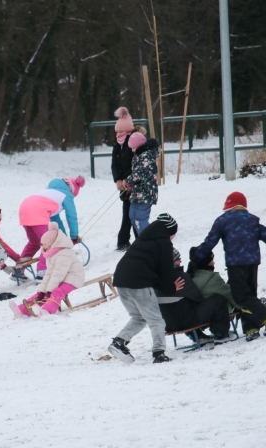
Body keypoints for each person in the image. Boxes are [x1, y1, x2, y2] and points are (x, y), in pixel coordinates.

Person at [191, 192, 266, 342]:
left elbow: (210, 242)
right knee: (249, 295)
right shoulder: (252, 220)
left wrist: (196, 257)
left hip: (236, 264)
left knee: (240, 297)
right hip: (253, 263)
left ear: (228, 206)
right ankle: (251, 329)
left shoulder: (222, 221)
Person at [107, 213, 179, 364]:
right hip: (138, 282)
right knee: (156, 320)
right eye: (173, 234)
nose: (173, 238)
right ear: (169, 231)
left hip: (120, 279)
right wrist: (171, 287)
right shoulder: (164, 243)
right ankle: (159, 353)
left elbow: (151, 268)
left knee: (139, 317)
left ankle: (119, 342)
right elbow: (164, 270)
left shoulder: (142, 240)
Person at [157, 248, 231, 350]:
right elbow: (197, 297)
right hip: (186, 322)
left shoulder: (154, 280)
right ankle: (221, 334)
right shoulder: (181, 277)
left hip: (166, 324)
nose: (180, 261)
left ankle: (197, 336)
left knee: (179, 307)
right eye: (178, 259)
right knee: (217, 300)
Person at [9, 221, 85, 317]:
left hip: (74, 277)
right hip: (63, 277)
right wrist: (42, 291)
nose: (43, 247)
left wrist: (49, 291)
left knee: (56, 291)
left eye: (45, 244)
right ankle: (22, 310)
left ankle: (48, 310)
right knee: (41, 293)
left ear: (54, 244)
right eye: (42, 244)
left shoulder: (64, 253)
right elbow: (49, 274)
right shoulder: (51, 255)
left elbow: (58, 274)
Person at [18, 176, 85, 279]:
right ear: (73, 191)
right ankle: (42, 272)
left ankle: (18, 270)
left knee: (34, 242)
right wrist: (74, 236)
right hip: (37, 212)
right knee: (49, 243)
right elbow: (71, 216)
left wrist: (64, 238)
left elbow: (56, 220)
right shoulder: (66, 195)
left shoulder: (50, 193)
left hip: (24, 209)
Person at [111, 107, 141, 251]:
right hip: (124, 185)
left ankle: (138, 240)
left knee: (134, 213)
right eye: (117, 132)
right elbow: (114, 164)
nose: (118, 134)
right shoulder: (117, 144)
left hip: (134, 184)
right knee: (127, 213)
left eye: (121, 131)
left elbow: (135, 164)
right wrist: (118, 179)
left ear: (128, 131)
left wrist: (128, 180)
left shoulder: (133, 142)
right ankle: (123, 241)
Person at [124, 132, 159, 235]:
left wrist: (128, 181)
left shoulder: (147, 156)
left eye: (133, 147)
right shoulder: (138, 155)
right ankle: (141, 240)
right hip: (138, 192)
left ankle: (148, 242)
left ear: (139, 145)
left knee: (140, 218)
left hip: (146, 193)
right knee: (132, 215)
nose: (132, 150)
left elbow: (139, 173)